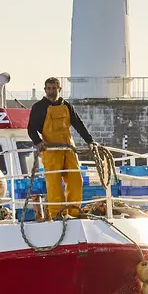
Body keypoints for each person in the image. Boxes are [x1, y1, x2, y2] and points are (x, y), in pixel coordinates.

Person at [28, 77, 94, 219]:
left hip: (69, 148)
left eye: (54, 88)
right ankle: (57, 213)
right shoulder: (38, 108)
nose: (51, 91)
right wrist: (38, 142)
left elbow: (78, 124)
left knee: (76, 179)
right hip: (50, 150)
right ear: (45, 90)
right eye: (49, 89)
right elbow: (31, 129)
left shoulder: (67, 106)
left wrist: (90, 141)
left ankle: (74, 211)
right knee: (54, 182)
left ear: (59, 89)